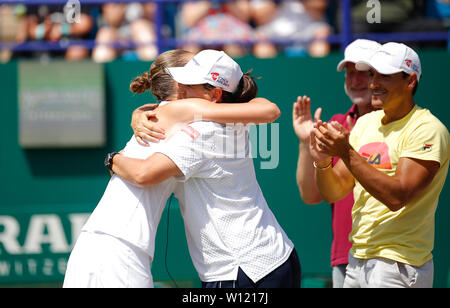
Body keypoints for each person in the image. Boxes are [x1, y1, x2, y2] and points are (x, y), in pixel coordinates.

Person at [63, 49, 280, 288]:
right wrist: (113, 159)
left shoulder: (161, 114)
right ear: (178, 86)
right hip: (119, 251)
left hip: (97, 245)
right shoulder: (181, 113)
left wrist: (130, 127)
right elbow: (267, 111)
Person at [310, 42, 450, 288]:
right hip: (358, 259)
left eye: (384, 76)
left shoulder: (427, 129)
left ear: (410, 81)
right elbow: (334, 191)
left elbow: (398, 196)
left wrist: (345, 152)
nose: (373, 83)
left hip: (399, 264)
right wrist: (322, 161)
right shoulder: (367, 124)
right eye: (373, 75)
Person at [292, 39, 380, 287]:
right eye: (350, 74)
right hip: (345, 257)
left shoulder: (401, 127)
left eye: (364, 73)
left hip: (389, 256)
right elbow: (311, 195)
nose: (355, 80)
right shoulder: (337, 124)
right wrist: (305, 142)